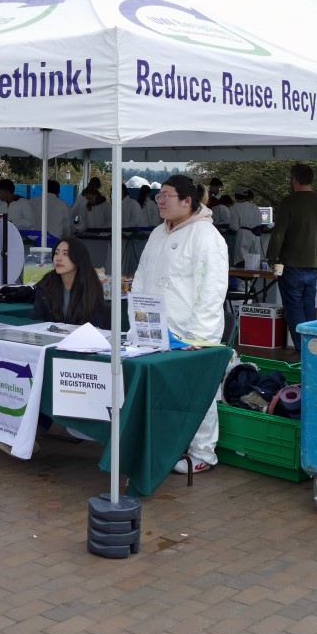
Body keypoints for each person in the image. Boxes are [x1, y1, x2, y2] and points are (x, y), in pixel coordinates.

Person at [130, 173, 229, 475]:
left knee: (198, 391)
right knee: (164, 389)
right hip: (156, 327)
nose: (160, 200)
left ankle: (203, 452)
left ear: (187, 201)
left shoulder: (206, 236)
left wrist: (201, 335)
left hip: (191, 330)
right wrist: (138, 316)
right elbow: (142, 274)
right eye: (160, 195)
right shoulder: (159, 233)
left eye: (167, 195)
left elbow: (212, 288)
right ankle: (169, 445)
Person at [266, 163, 317, 345]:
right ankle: (314, 345)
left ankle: (302, 347)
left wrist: (272, 258)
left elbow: (278, 233)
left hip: (290, 264)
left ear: (295, 180)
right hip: (313, 264)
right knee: (309, 306)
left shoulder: (289, 201)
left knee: (293, 307)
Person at [31, 236, 110, 329]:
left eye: (65, 254)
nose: (58, 258)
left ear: (78, 258)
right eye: (56, 253)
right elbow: (37, 321)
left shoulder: (91, 287)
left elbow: (95, 324)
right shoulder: (46, 285)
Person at [227, 186, 265, 268]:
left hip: (243, 235)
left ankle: (242, 280)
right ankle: (251, 280)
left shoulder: (236, 207)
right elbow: (260, 221)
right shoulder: (255, 206)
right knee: (254, 262)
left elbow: (234, 226)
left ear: (236, 196)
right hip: (256, 235)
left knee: (241, 261)